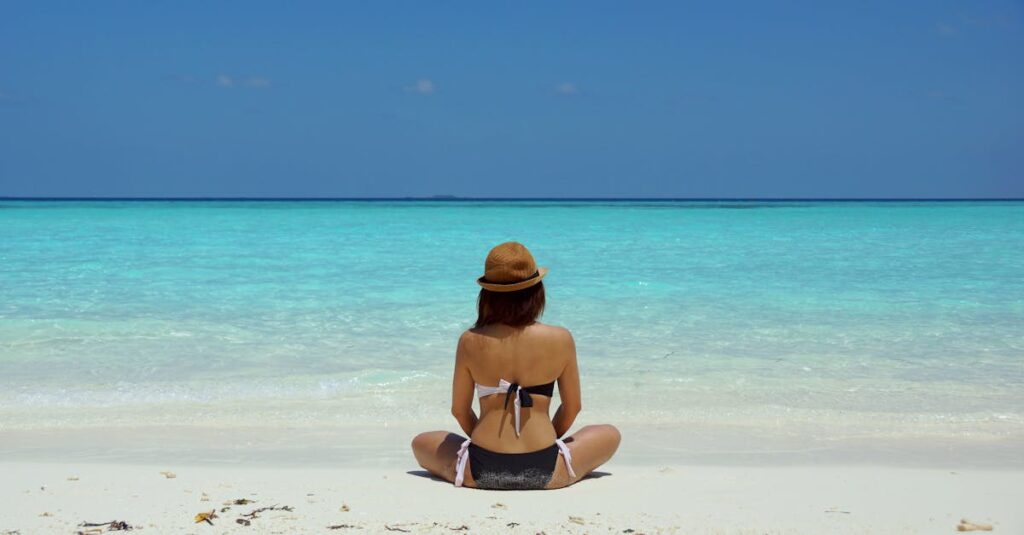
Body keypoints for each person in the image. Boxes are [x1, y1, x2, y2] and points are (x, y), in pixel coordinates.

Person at [411, 241, 621, 489]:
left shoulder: (471, 340)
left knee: (421, 442)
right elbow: (572, 407)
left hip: (480, 467)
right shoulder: (560, 338)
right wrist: (545, 440)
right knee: (609, 433)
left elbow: (459, 410)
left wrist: (490, 442)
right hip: (547, 467)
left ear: (487, 295)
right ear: (536, 292)